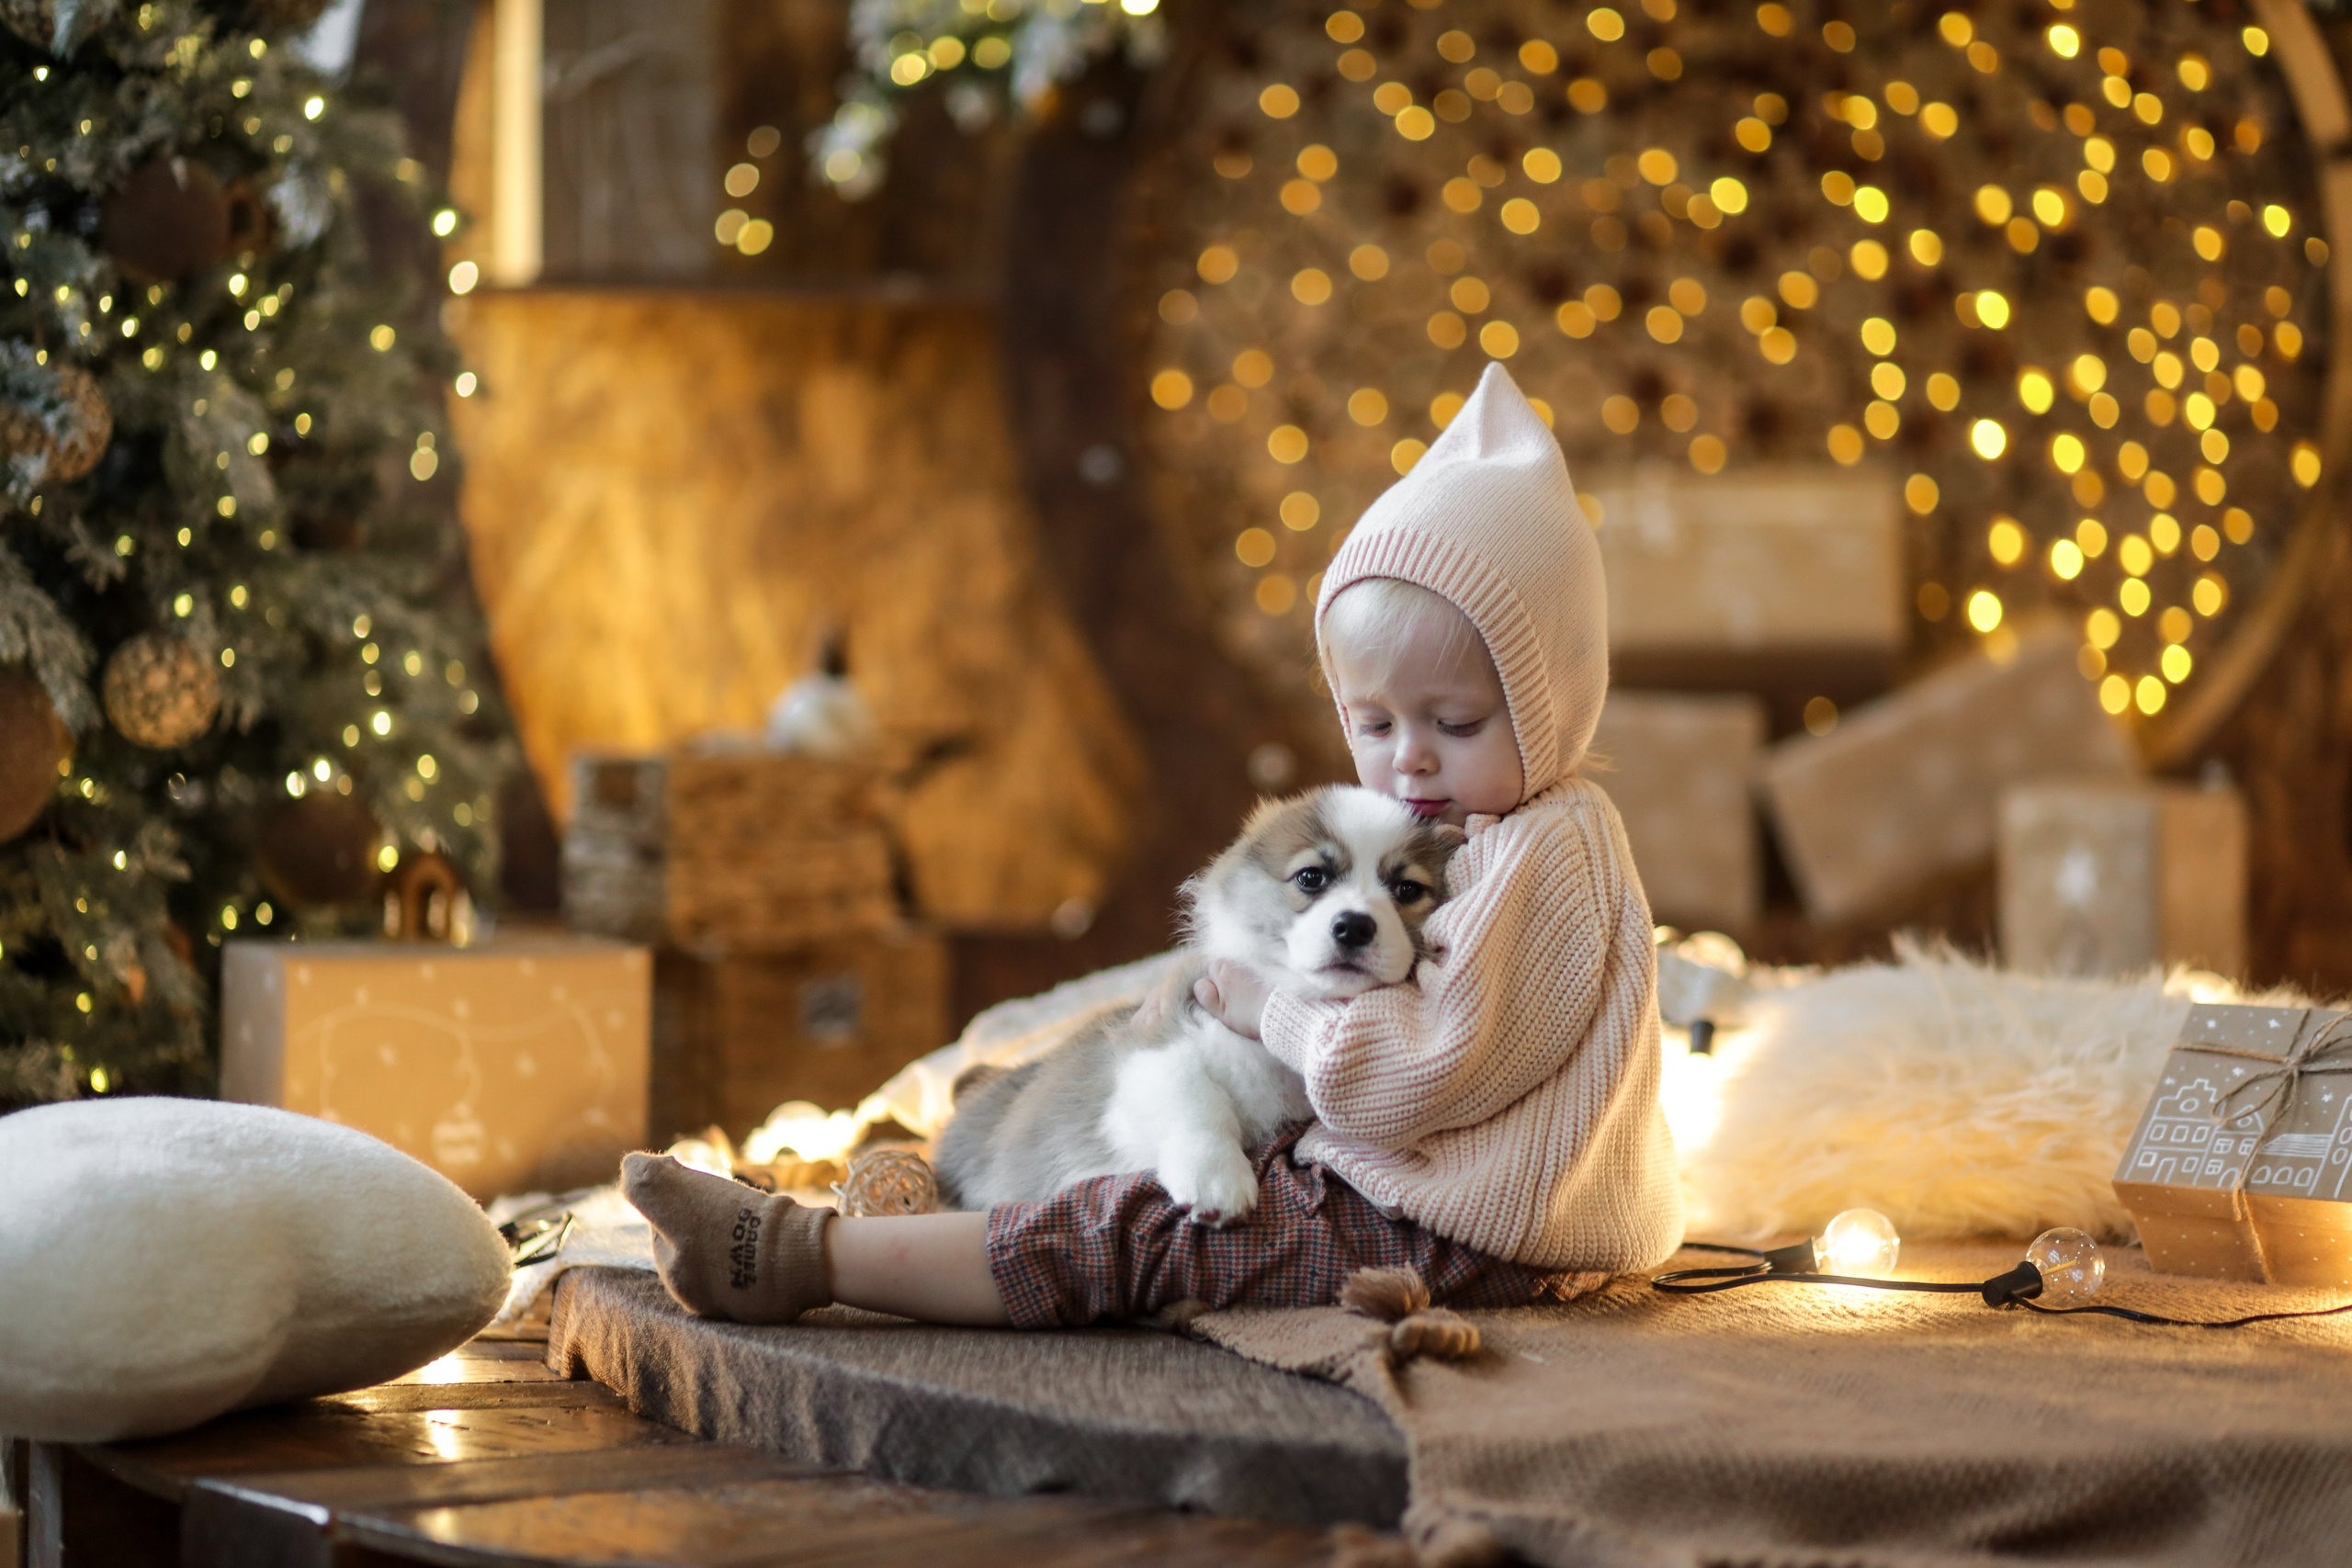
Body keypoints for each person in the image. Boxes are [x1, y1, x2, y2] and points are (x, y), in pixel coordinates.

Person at [623, 364, 1684, 1327]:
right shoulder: (1481, 833)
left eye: (1453, 726)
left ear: (1552, 704)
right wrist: (1220, 985)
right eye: (1372, 726)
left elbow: (1419, 1076)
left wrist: (1265, 1008)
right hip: (1453, 1201)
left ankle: (801, 1256)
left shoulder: (1548, 856)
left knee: (1130, 1231)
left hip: (1474, 1233)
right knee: (1129, 1119)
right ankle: (952, 1146)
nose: (1408, 763)